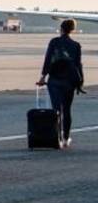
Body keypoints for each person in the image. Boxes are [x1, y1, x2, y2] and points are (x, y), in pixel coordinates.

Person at [36, 19, 84, 148]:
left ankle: (55, 137)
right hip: (69, 82)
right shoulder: (76, 45)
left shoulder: (54, 42)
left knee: (56, 110)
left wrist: (42, 77)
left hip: (55, 81)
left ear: (61, 28)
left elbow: (48, 60)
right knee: (67, 110)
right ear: (72, 30)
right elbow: (78, 65)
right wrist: (80, 82)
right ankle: (65, 139)